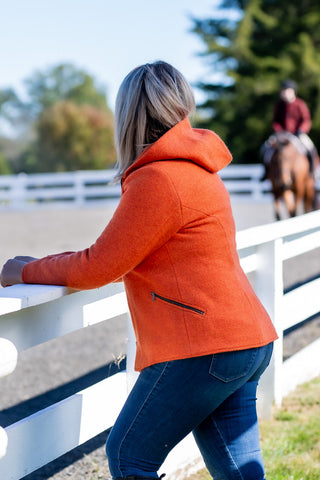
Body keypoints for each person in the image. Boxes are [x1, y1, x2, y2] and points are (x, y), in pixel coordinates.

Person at [0, 61, 278, 480]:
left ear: (128, 115)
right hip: (247, 339)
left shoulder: (159, 179)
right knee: (240, 471)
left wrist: (25, 270)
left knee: (129, 454)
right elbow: (118, 256)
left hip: (205, 348)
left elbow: (100, 265)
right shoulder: (199, 169)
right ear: (181, 104)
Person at [261, 79, 317, 179]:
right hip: (282, 135)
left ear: (293, 92)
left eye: (287, 90)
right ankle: (266, 172)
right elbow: (275, 121)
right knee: (265, 148)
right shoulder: (279, 105)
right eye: (283, 91)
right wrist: (279, 131)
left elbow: (306, 120)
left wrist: (301, 130)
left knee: (310, 148)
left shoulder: (300, 104)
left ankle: (312, 171)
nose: (285, 93)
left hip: (298, 134)